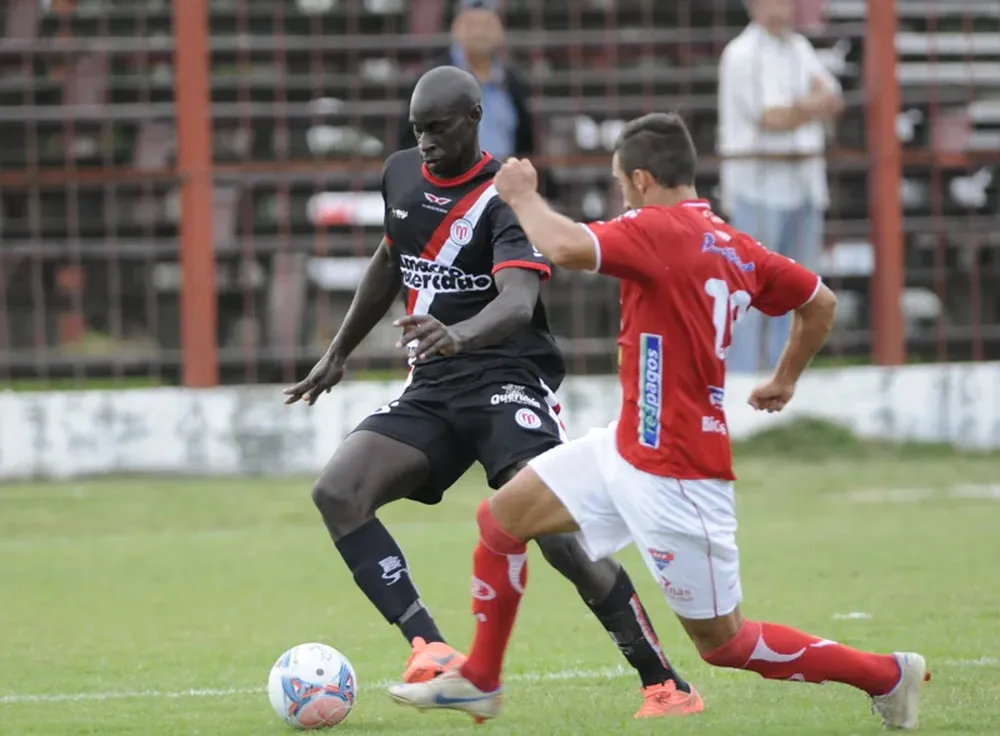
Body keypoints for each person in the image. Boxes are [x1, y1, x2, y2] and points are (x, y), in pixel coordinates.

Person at [386, 112, 929, 730]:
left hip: (679, 477)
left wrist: (521, 195)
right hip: (626, 450)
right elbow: (819, 302)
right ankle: (481, 682)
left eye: (621, 184)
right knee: (501, 519)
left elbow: (563, 247)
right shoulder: (733, 243)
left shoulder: (656, 229)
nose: (621, 197)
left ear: (642, 179)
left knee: (725, 644)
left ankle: (886, 674)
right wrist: (783, 379)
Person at [285, 66, 702, 719]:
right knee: (338, 491)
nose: (424, 142)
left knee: (559, 538)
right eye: (417, 129)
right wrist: (337, 352)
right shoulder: (400, 173)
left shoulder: (504, 199)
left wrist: (456, 333)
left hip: (507, 380)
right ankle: (430, 648)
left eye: (438, 129)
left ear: (474, 120)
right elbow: (390, 259)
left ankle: (665, 683)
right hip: (435, 387)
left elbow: (516, 302)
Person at [717, 0, 844, 373]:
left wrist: (800, 108)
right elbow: (770, 117)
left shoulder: (799, 48)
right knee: (750, 290)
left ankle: (785, 375)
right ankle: (741, 380)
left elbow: (833, 100)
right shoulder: (741, 54)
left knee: (800, 291)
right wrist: (811, 105)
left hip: (804, 185)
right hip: (757, 189)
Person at [398, 0, 533, 163]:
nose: (480, 33)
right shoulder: (432, 79)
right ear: (456, 29)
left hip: (502, 180)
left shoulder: (512, 82)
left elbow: (526, 142)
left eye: (487, 25)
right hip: (448, 182)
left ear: (500, 31)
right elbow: (410, 139)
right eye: (472, 25)